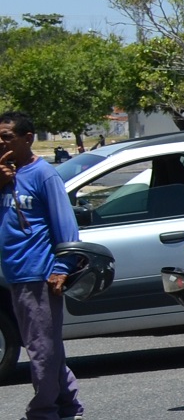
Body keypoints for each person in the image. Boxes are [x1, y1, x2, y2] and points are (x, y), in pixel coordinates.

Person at [0, 112, 85, 420]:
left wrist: (62, 267)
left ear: (27, 138)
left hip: (39, 273)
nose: (1, 142)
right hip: (16, 274)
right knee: (45, 345)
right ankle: (67, 404)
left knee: (41, 349)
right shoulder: (5, 174)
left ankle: (43, 411)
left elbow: (66, 227)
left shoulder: (43, 175)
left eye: (7, 137)